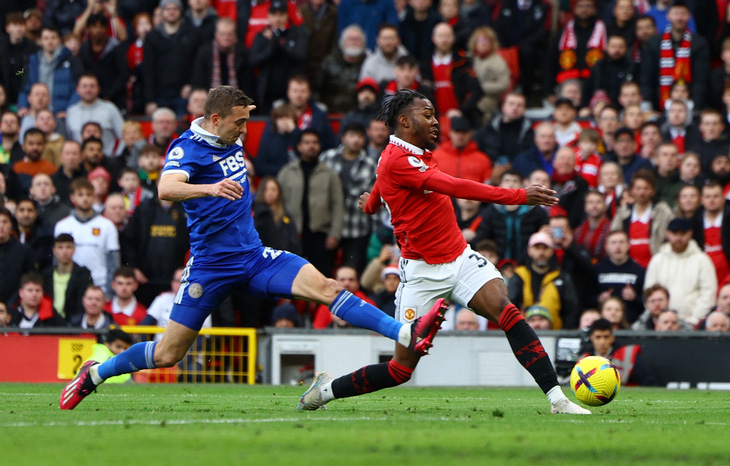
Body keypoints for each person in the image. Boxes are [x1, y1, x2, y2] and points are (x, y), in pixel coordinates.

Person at [60, 86, 446, 410]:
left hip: (255, 257)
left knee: (328, 287)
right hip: (210, 267)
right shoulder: (187, 148)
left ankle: (405, 333)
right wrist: (209, 188)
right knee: (167, 355)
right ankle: (94, 374)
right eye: (239, 122)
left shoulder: (231, 137)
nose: (245, 130)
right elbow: (166, 187)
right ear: (215, 119)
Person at [298, 89, 590, 415]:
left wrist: (370, 203)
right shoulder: (398, 160)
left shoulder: (403, 153)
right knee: (400, 370)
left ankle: (557, 400)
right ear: (405, 121)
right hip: (421, 273)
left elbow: (378, 192)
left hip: (460, 258)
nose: (436, 122)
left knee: (507, 312)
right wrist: (519, 195)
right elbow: (454, 186)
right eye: (428, 115)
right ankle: (323, 391)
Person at [278, 130, 344, 276]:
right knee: (293, 277)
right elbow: (278, 203)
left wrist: (334, 234)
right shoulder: (287, 172)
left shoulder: (329, 174)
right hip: (293, 234)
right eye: (307, 143)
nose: (311, 146)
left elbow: (338, 205)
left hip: (321, 235)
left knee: (321, 277)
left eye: (314, 143)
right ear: (299, 146)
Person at [644, 217, 717, 326]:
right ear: (667, 234)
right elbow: (649, 293)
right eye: (674, 233)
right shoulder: (657, 260)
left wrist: (694, 319)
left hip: (692, 324)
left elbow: (708, 294)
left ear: (690, 234)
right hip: (662, 324)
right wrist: (661, 320)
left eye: (683, 233)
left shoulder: (702, 260)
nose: (678, 237)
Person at [54, 178, 120, 297]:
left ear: (94, 197)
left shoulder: (107, 225)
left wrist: (111, 291)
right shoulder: (62, 225)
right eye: (80, 194)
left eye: (88, 194)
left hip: (99, 285)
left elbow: (114, 262)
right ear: (72, 197)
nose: (85, 198)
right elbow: (56, 259)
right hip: (69, 284)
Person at [640, 0, 709, 111]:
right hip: (659, 103)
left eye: (683, 14)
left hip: (690, 103)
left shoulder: (699, 43)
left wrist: (695, 106)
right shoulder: (655, 42)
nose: (679, 18)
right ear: (668, 16)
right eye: (676, 14)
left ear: (689, 16)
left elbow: (700, 79)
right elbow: (647, 76)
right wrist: (648, 104)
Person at [509, 231, 580, 329]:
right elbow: (510, 307)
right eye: (537, 248)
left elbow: (571, 310)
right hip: (524, 335)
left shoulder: (562, 277)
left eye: (545, 248)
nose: (541, 253)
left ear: (552, 251)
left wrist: (564, 333)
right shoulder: (519, 276)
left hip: (555, 334)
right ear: (529, 250)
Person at [248, 1, 308, 113]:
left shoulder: (296, 33)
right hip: (267, 92)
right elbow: (253, 61)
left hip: (290, 91)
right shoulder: (262, 36)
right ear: (269, 16)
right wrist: (271, 46)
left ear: (287, 16)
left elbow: (301, 57)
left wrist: (281, 43)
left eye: (281, 14)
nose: (277, 18)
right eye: (274, 14)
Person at [610, 170, 672, 268]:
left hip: (656, 268)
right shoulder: (622, 213)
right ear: (631, 190)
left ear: (653, 191)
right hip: (628, 268)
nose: (642, 193)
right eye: (638, 188)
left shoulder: (663, 212)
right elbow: (613, 237)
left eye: (646, 188)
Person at [582, 318, 657, 385]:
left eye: (606, 337)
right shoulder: (583, 360)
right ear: (591, 338)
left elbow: (648, 382)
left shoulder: (628, 355)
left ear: (612, 338)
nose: (602, 342)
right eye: (598, 337)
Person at [65, 74, 125, 158]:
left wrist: (117, 156)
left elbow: (125, 135)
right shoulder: (71, 111)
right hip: (79, 163)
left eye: (92, 86)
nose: (88, 90)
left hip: (105, 161)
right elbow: (69, 139)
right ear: (77, 89)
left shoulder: (110, 108)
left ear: (98, 89)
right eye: (84, 86)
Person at [432, 116, 492, 183]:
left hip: (472, 193)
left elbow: (487, 183)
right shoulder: (436, 156)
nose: (460, 136)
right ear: (450, 133)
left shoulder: (482, 159)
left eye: (464, 132)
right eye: (457, 132)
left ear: (470, 134)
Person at [0, 207, 36, 303]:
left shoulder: (24, 250)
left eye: (5, 222)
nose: (1, 226)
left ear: (11, 224)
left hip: (15, 306)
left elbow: (29, 280)